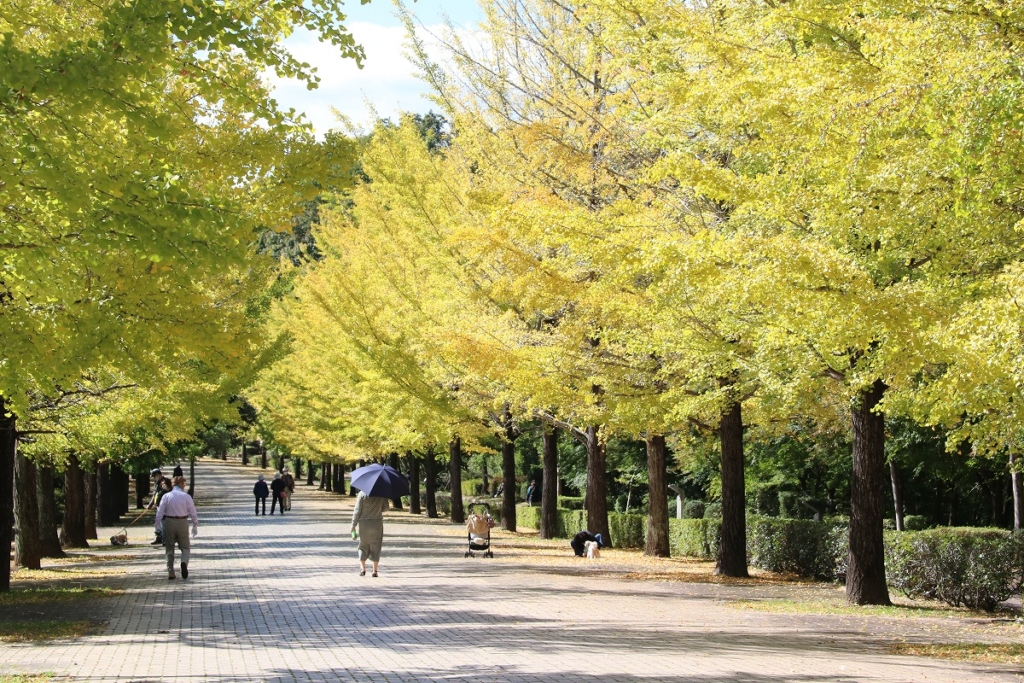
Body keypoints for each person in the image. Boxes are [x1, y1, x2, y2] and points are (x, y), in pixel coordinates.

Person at [154, 476, 198, 580]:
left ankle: (171, 571)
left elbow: (160, 512)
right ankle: (183, 562)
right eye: (184, 484)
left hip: (169, 522)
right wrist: (195, 525)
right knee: (185, 547)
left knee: (169, 548)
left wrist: (157, 525)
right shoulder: (186, 496)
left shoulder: (166, 496)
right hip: (182, 522)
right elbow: (193, 512)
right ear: (181, 484)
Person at [350, 490, 390, 577]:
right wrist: (378, 508)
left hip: (364, 523)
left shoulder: (362, 494)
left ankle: (363, 568)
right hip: (377, 522)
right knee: (376, 545)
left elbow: (357, 510)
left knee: (363, 545)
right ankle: (375, 571)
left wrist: (353, 525)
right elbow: (386, 507)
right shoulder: (381, 494)